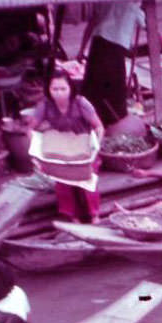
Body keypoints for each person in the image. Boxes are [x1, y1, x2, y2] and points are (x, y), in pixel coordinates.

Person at [80, 0, 162, 125]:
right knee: (114, 93)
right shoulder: (131, 5)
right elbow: (152, 29)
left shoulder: (106, 0)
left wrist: (82, 49)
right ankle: (111, 123)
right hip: (112, 50)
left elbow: (92, 23)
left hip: (97, 45)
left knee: (94, 90)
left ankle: (93, 121)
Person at [28, 68, 105, 222]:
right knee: (63, 184)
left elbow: (99, 127)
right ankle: (72, 216)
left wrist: (96, 147)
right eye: (54, 89)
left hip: (83, 147)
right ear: (48, 90)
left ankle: (94, 215)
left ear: (70, 88)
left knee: (88, 181)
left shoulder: (81, 103)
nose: (59, 93)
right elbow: (30, 129)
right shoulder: (45, 106)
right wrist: (35, 154)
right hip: (60, 148)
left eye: (63, 89)